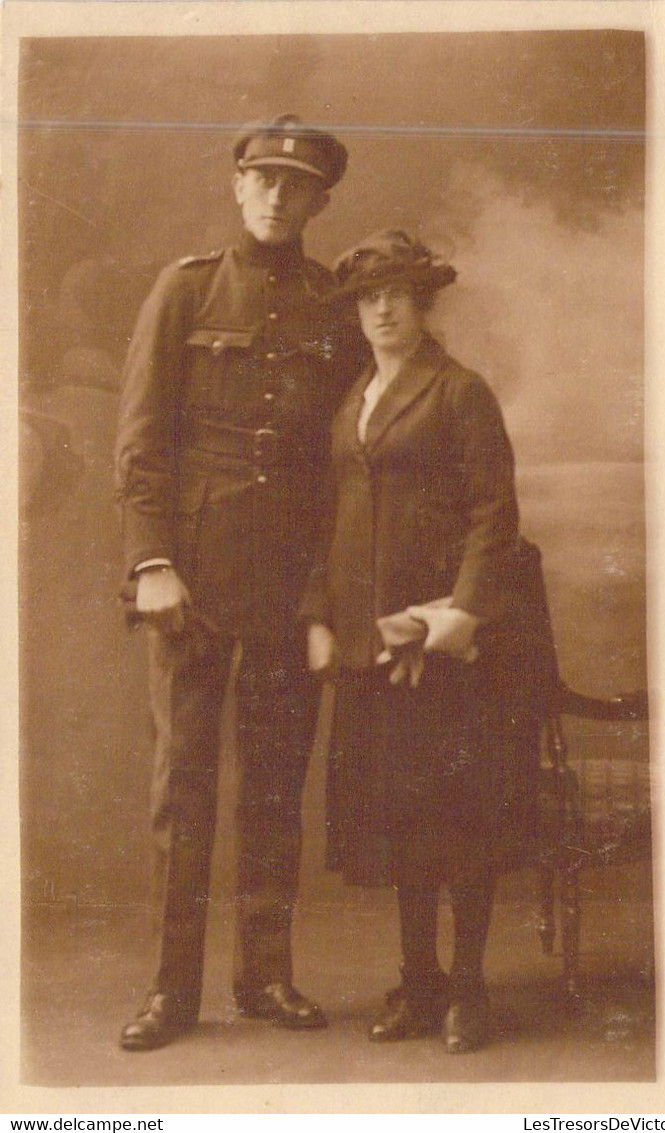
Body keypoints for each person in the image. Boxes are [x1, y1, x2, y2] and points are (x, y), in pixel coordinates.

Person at [114, 114, 353, 1051]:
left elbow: (343, 459)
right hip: (194, 579)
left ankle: (265, 975)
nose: (277, 196)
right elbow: (140, 441)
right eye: (264, 179)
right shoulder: (184, 290)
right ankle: (172, 992)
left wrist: (325, 597)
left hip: (290, 583)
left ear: (319, 202)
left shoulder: (337, 305)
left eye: (297, 185)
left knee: (273, 784)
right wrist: (151, 563)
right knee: (183, 787)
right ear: (237, 186)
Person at [301, 230, 540, 1054]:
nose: (383, 309)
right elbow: (330, 522)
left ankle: (467, 988)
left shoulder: (458, 391)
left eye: (399, 293)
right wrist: (321, 618)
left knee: (458, 821)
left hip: (445, 650)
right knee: (401, 820)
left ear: (423, 302)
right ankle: (419, 980)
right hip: (372, 646)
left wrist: (449, 622)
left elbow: (493, 518)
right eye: (369, 297)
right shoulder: (353, 398)